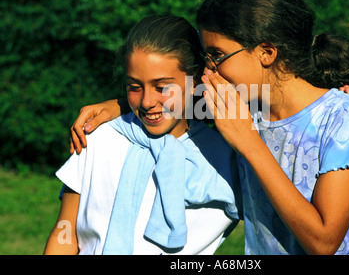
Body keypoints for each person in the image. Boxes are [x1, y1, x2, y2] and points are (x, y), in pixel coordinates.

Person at [68, 0, 349, 255]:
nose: (208, 69)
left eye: (217, 56)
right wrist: (120, 105)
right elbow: (168, 100)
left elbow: (323, 242)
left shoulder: (343, 114)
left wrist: (249, 142)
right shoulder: (242, 106)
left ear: (266, 52)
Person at [44, 15, 240, 255]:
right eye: (134, 87)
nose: (147, 102)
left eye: (162, 87)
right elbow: (65, 234)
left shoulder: (225, 159)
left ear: (194, 81)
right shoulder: (98, 137)